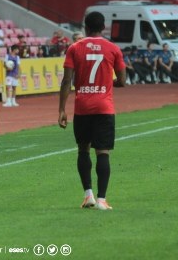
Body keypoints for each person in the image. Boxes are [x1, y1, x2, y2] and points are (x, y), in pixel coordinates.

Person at [58, 11, 126, 211]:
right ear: (103, 27)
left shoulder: (74, 48)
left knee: (83, 149)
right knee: (102, 152)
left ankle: (88, 195)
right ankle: (103, 199)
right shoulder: (113, 48)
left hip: (83, 108)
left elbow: (66, 81)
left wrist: (62, 110)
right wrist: (107, 83)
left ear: (85, 27)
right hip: (104, 107)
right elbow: (122, 80)